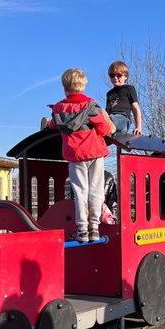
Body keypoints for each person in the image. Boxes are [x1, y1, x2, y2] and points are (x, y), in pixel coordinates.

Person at [48, 68, 115, 242]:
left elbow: (53, 125)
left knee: (80, 191)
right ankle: (95, 227)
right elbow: (105, 129)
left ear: (65, 87)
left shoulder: (59, 109)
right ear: (83, 86)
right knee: (96, 189)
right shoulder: (91, 105)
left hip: (75, 154)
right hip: (94, 152)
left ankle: (82, 229)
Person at [106, 61, 143, 135]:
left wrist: (138, 127)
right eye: (112, 75)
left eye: (119, 75)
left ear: (126, 76)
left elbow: (136, 109)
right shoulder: (109, 93)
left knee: (111, 120)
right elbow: (107, 110)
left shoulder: (129, 88)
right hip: (110, 118)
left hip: (123, 118)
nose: (115, 78)